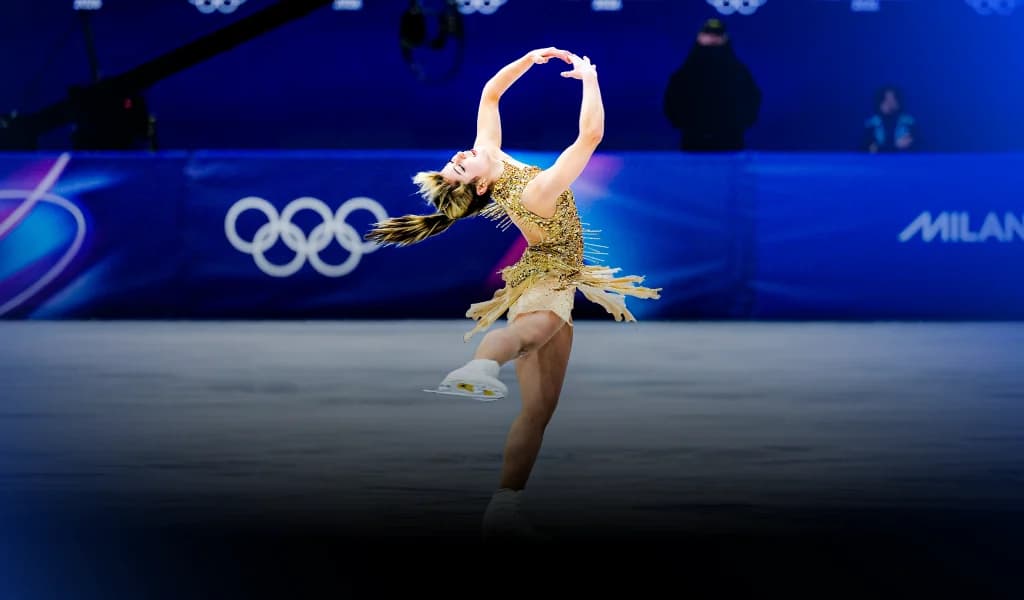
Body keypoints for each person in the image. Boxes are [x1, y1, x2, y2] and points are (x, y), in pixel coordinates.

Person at [365, 47, 661, 541]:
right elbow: (591, 137)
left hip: (559, 277)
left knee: (540, 408)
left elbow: (491, 94)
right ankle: (479, 366)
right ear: (478, 188)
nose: (459, 156)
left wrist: (528, 60)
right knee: (529, 332)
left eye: (454, 160)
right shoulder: (531, 193)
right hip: (547, 276)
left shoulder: (492, 158)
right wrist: (588, 78)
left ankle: (505, 505)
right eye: (459, 167)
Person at [662, 18, 762, 152]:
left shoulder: (739, 72)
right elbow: (672, 101)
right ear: (700, 37)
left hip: (730, 140)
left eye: (717, 35)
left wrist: (737, 125)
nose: (712, 38)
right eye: (708, 34)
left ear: (725, 38)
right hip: (694, 140)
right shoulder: (686, 73)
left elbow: (752, 100)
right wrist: (688, 125)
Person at [864, 85, 915, 153]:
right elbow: (868, 148)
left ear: (898, 102)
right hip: (878, 162)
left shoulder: (910, 123)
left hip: (903, 161)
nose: (889, 103)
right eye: (886, 99)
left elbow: (917, 146)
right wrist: (895, 146)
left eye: (892, 99)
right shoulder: (871, 124)